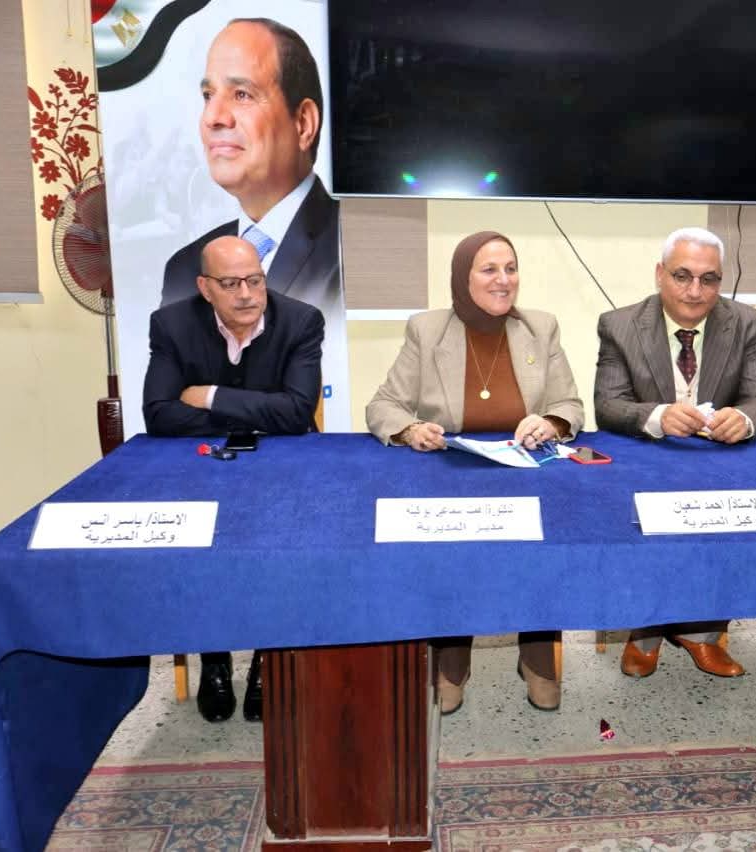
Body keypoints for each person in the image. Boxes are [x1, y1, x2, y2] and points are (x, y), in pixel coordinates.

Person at [366, 231, 584, 714]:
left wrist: (549, 422)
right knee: (453, 554)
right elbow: (383, 405)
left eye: (511, 268)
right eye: (489, 270)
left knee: (547, 543)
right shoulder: (427, 330)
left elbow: (570, 404)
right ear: (463, 278)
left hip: (524, 469)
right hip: (453, 472)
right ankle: (452, 657)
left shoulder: (541, 327)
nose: (504, 280)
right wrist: (410, 430)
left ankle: (538, 654)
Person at [143, 234, 324, 722]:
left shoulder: (302, 321)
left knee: (280, 541)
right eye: (230, 284)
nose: (246, 294)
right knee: (198, 544)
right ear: (205, 288)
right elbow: (159, 415)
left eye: (254, 280)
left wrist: (209, 396)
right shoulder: (172, 325)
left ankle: (268, 658)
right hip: (204, 463)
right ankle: (215, 659)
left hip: (282, 465)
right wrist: (260, 413)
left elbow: (297, 413)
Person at [594, 226, 756, 680]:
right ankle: (646, 631)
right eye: (682, 276)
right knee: (636, 516)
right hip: (649, 459)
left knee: (737, 512)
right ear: (660, 274)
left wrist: (744, 420)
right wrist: (657, 416)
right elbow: (608, 405)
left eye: (708, 279)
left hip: (717, 463)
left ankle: (704, 634)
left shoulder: (747, 323)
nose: (695, 291)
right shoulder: (619, 325)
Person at [160, 18, 340, 319]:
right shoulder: (185, 269)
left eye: (241, 94)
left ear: (303, 123)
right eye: (208, 96)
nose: (212, 117)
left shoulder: (355, 246)